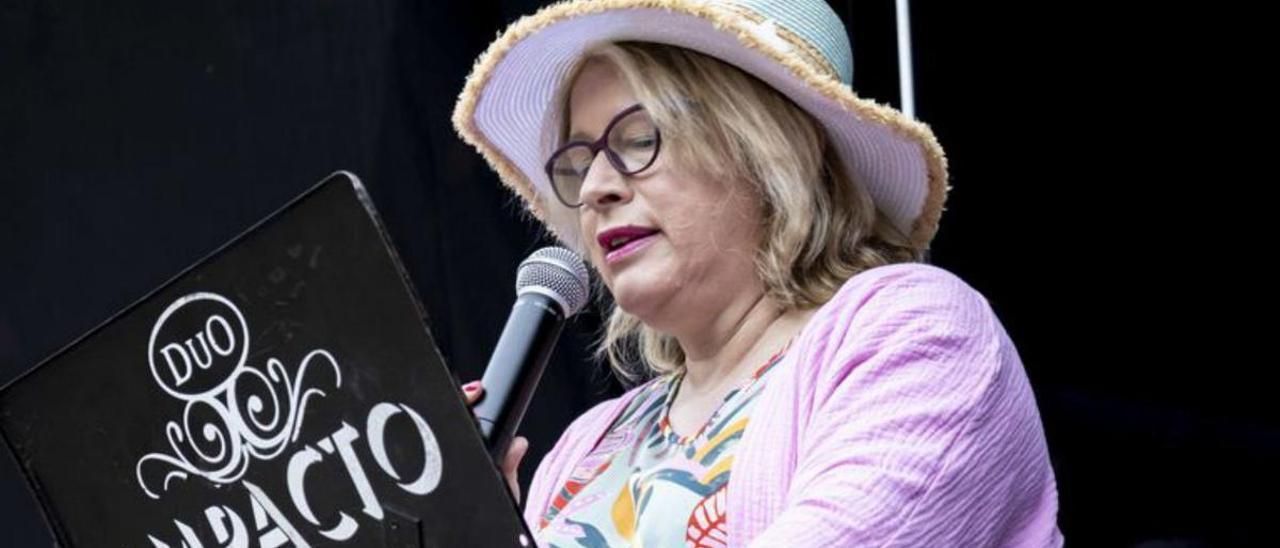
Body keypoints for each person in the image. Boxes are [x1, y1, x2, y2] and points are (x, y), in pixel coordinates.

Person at [450, 0, 1062, 545]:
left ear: (768, 154)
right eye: (579, 163)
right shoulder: (586, 445)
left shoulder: (917, 333)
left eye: (638, 141)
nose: (598, 188)